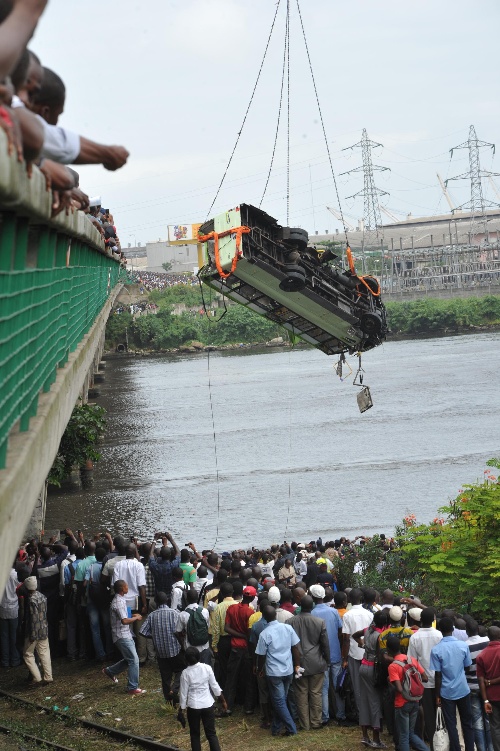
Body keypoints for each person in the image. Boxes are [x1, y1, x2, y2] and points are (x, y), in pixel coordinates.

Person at [255, 604, 300, 737]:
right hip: (288, 669)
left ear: (263, 617)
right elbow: (295, 648)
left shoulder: (264, 634)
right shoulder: (287, 628)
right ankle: (276, 728)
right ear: (275, 615)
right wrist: (297, 665)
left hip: (274, 672)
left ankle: (291, 728)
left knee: (279, 701)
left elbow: (261, 655)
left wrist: (260, 669)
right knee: (281, 700)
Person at [430, 616, 474, 751]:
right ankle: (470, 749)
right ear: (452, 629)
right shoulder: (463, 645)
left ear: (440, 630)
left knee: (451, 724)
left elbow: (438, 675)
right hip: (463, 689)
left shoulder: (436, 650)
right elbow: (467, 667)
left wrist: (437, 695)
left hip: (446, 691)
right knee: (467, 723)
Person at [289, 594, 330, 730]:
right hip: (316, 662)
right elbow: (325, 644)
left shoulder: (290, 622)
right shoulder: (319, 622)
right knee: (316, 693)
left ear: (300, 605)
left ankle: (304, 724)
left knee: (301, 693)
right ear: (312, 606)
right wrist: (327, 660)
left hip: (297, 663)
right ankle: (316, 722)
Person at [139, 591, 185, 703]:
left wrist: (154, 636)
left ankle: (168, 700)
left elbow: (142, 632)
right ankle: (174, 689)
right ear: (167, 600)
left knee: (165, 676)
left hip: (160, 652)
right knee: (181, 670)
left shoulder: (151, 616)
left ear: (155, 602)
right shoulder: (174, 613)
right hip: (174, 649)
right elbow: (180, 630)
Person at [179, 646, 227, 751]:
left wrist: (181, 710)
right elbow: (215, 686)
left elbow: (183, 694)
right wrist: (223, 700)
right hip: (208, 704)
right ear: (199, 656)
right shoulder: (207, 668)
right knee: (211, 734)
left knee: (195, 735)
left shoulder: (185, 673)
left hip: (193, 706)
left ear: (186, 659)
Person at [407, 607, 443, 749]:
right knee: (440, 713)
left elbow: (412, 661)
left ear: (421, 620)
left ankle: (432, 743)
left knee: (428, 714)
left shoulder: (415, 637)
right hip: (440, 681)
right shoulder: (439, 635)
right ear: (434, 620)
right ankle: (441, 742)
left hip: (424, 681)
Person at [353, 609, 389, 747]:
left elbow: (355, 635)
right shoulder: (381, 636)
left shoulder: (368, 630)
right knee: (375, 702)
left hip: (363, 666)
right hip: (374, 670)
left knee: (364, 700)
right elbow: (381, 656)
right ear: (385, 622)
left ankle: (364, 736)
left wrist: (362, 644)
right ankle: (376, 739)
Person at [310, 583, 345, 725]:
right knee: (337, 686)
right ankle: (340, 714)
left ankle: (325, 716)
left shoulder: (311, 613)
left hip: (320, 656)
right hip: (335, 653)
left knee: (323, 687)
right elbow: (340, 631)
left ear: (312, 597)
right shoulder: (333, 612)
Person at [102, 580, 145, 695]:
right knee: (134, 660)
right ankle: (132, 687)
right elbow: (124, 620)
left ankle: (110, 671)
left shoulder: (120, 599)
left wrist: (133, 615)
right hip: (121, 635)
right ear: (122, 589)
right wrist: (136, 619)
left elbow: (123, 615)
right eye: (126, 586)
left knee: (129, 659)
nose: (128, 587)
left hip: (125, 633)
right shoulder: (118, 602)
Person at [387, 633, 429, 751]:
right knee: (410, 734)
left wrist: (390, 682)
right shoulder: (412, 659)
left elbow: (399, 689)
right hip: (415, 700)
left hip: (402, 704)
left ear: (389, 650)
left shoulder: (393, 666)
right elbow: (425, 678)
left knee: (404, 736)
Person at [223, 585, 256, 714]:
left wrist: (238, 634)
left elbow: (227, 628)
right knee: (248, 678)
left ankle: (228, 706)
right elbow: (249, 634)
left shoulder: (231, 608)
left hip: (235, 647)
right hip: (246, 648)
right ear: (253, 597)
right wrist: (243, 636)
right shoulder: (250, 613)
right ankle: (248, 707)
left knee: (231, 678)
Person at [341, 587, 373, 712]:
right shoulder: (370, 614)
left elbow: (346, 639)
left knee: (357, 686)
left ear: (349, 599)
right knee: (369, 685)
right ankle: (370, 712)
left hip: (354, 654)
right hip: (368, 653)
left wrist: (344, 659)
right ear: (361, 599)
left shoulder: (347, 615)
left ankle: (361, 713)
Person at [466, 619, 493, 751]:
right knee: (488, 719)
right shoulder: (487, 641)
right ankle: (491, 748)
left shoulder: (464, 645)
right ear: (478, 630)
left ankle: (481, 748)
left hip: (471, 686)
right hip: (487, 686)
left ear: (467, 631)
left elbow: (465, 667)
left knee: (477, 721)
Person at [21, 576, 52, 686]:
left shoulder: (31, 600)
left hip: (34, 631)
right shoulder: (42, 596)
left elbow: (33, 619)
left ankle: (37, 677)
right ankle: (48, 676)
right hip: (44, 628)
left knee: (27, 654)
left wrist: (31, 635)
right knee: (44, 653)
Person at [477, 626, 500, 751]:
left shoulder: (482, 655)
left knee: (495, 728)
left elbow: (481, 680)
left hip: (491, 698)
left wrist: (485, 701)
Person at [176, 589, 210, 665]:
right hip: (204, 647)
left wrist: (182, 645)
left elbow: (178, 631)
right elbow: (208, 627)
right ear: (198, 598)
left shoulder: (183, 614)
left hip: (190, 649)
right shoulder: (205, 611)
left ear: (186, 599)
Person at [0, 562, 21, 668]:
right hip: (13, 608)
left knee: (4, 636)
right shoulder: (14, 574)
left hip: (2, 608)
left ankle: (5, 661)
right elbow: (20, 587)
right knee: (13, 636)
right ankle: (15, 659)